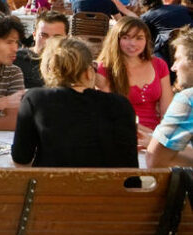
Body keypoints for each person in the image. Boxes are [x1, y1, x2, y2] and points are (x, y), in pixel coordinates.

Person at [13, 36, 137, 168]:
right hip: (108, 187)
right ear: (88, 72)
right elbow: (130, 166)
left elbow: (21, 158)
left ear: (48, 70)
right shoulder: (120, 104)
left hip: (52, 186)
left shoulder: (36, 99)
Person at [96, 16, 172, 130]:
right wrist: (147, 135)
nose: (133, 43)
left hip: (156, 134)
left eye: (139, 38)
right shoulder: (104, 69)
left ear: (146, 40)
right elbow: (107, 114)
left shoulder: (159, 65)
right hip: (121, 132)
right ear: (116, 40)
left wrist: (160, 137)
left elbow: (167, 111)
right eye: (126, 37)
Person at [147, 28, 193, 167]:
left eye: (178, 59)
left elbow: (154, 161)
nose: (174, 67)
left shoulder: (188, 99)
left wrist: (153, 143)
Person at [13, 11, 69, 89]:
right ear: (34, 35)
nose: (49, 41)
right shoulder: (16, 60)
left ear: (67, 38)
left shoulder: (72, 63)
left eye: (57, 37)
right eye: (44, 35)